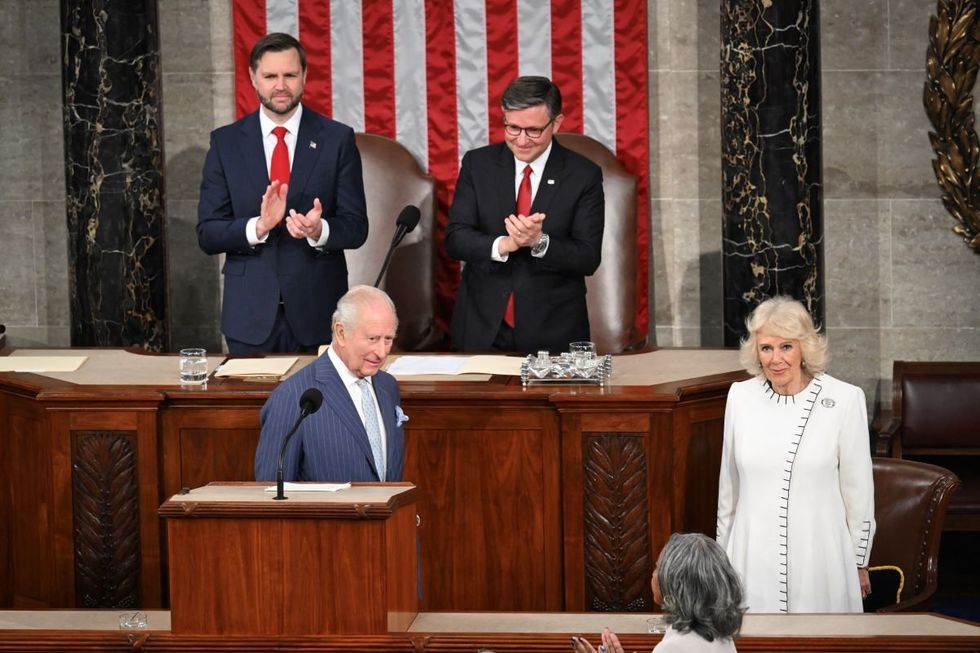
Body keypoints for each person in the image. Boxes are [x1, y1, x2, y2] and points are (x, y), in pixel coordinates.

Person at [197, 32, 368, 354]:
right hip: (249, 318)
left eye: (289, 75)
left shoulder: (336, 139)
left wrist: (319, 230)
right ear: (253, 78)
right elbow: (208, 233)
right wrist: (258, 226)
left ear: (304, 76)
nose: (280, 86)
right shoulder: (225, 143)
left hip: (318, 314)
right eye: (270, 76)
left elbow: (356, 227)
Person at [716, 296, 875, 613]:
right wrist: (721, 560)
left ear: (804, 347)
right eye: (766, 348)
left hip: (821, 556)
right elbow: (728, 491)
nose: (776, 359)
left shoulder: (845, 399)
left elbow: (858, 492)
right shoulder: (740, 397)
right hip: (750, 555)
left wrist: (859, 562)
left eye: (786, 346)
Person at [445, 76, 604, 354]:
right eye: (513, 127)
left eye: (533, 130)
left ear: (556, 123)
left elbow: (588, 257)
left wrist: (538, 242)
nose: (521, 140)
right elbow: (456, 239)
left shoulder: (583, 175)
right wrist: (504, 244)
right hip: (482, 327)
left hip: (553, 330)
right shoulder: (478, 165)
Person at [254, 285, 405, 482]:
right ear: (341, 333)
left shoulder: (388, 386)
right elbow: (273, 489)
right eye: (372, 339)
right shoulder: (292, 396)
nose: (382, 352)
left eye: (388, 339)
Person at [572, 533, 744, 653]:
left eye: (657, 568)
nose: (653, 575)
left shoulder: (674, 647)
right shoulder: (721, 634)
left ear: (675, 583)